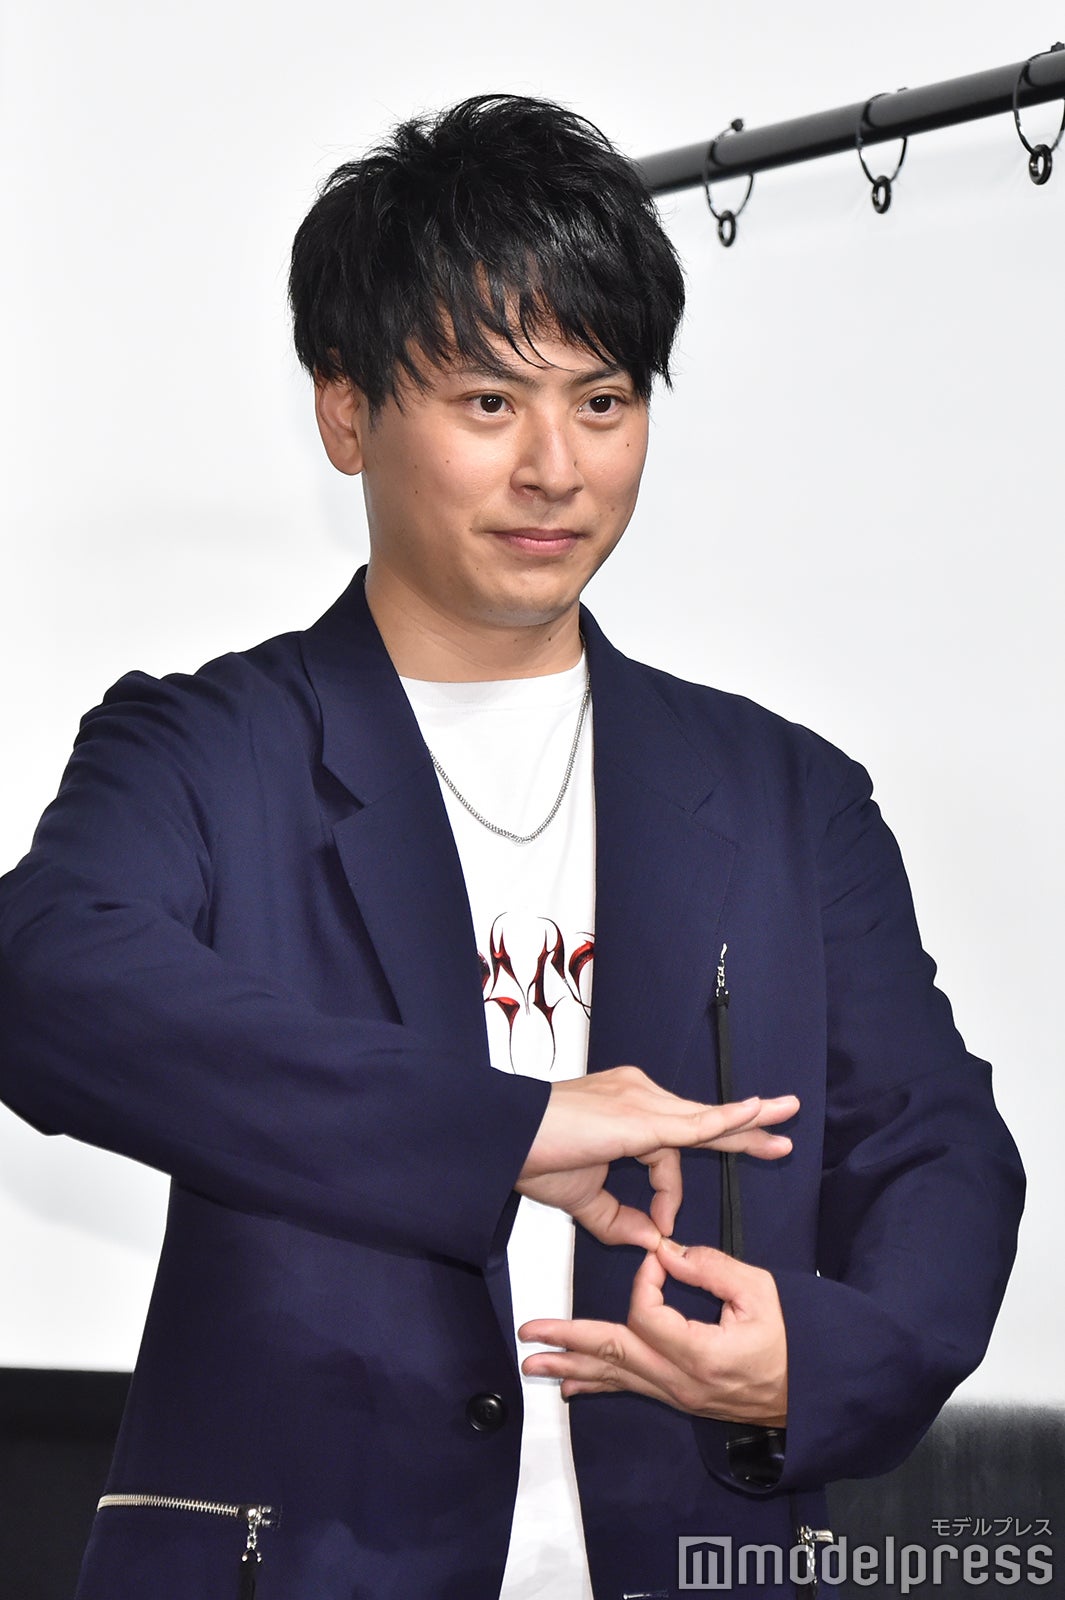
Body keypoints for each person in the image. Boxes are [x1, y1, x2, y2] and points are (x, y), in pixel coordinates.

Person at [0, 94, 1022, 1600]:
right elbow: (46, 984)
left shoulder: (784, 793)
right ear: (344, 412)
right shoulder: (205, 750)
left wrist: (825, 1360)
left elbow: (935, 1146)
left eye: (602, 402)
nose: (557, 467)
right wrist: (507, 1127)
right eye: (490, 402)